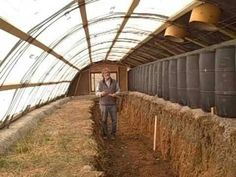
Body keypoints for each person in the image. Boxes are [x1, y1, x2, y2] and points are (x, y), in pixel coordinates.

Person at [96, 67, 120, 140]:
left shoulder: (115, 82)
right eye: (105, 73)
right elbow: (96, 92)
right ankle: (105, 134)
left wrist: (115, 94)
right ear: (103, 75)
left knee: (114, 120)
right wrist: (101, 93)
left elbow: (119, 90)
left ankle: (113, 134)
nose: (107, 74)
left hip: (113, 104)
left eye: (108, 73)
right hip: (103, 104)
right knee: (104, 120)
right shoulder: (100, 83)